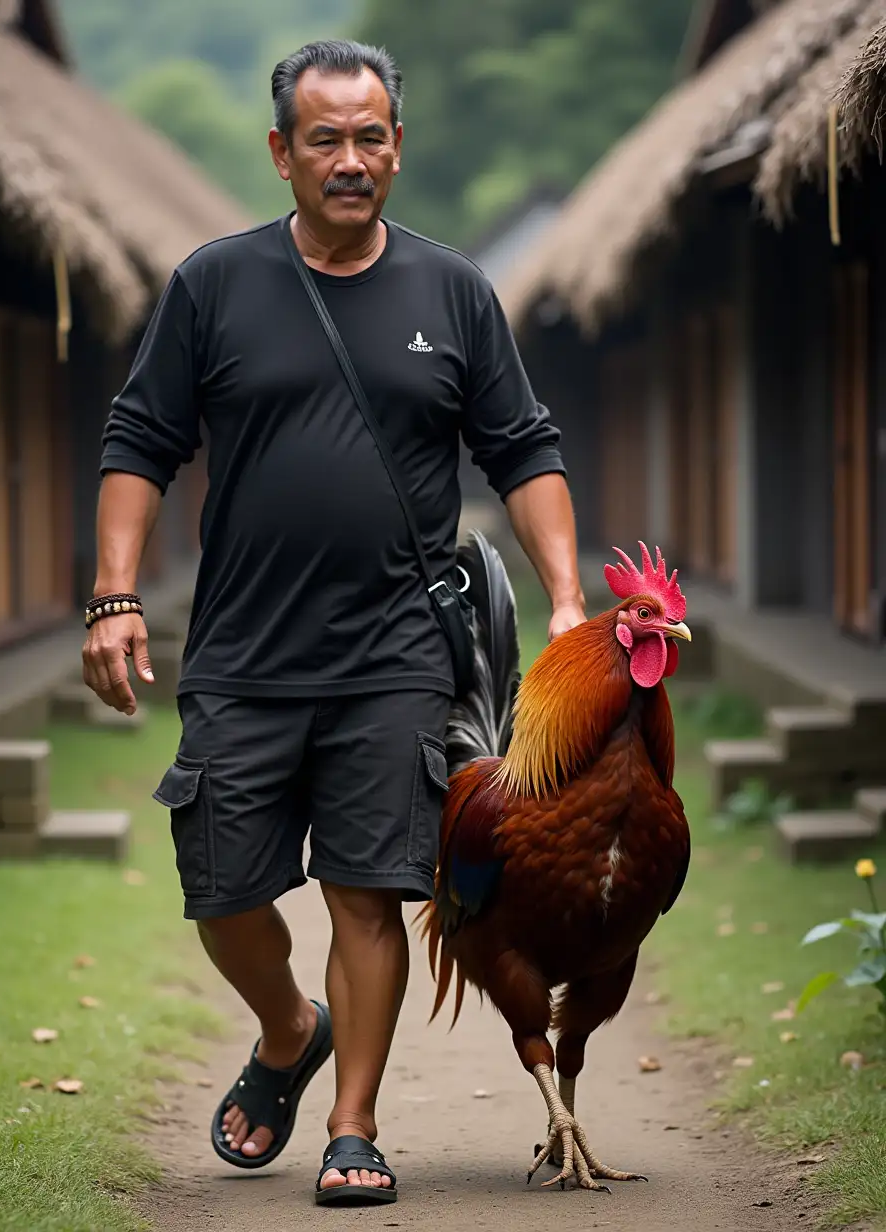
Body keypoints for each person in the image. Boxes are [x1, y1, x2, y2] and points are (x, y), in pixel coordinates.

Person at [83, 38, 585, 1207]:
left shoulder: (453, 289)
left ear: (396, 146)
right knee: (220, 888)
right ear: (281, 153)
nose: (350, 160)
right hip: (245, 650)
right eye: (325, 140)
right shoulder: (214, 283)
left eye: (370, 138)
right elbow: (138, 441)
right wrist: (112, 593)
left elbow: (525, 448)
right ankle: (286, 1029)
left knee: (368, 889)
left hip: (397, 649)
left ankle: (352, 1126)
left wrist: (565, 593)